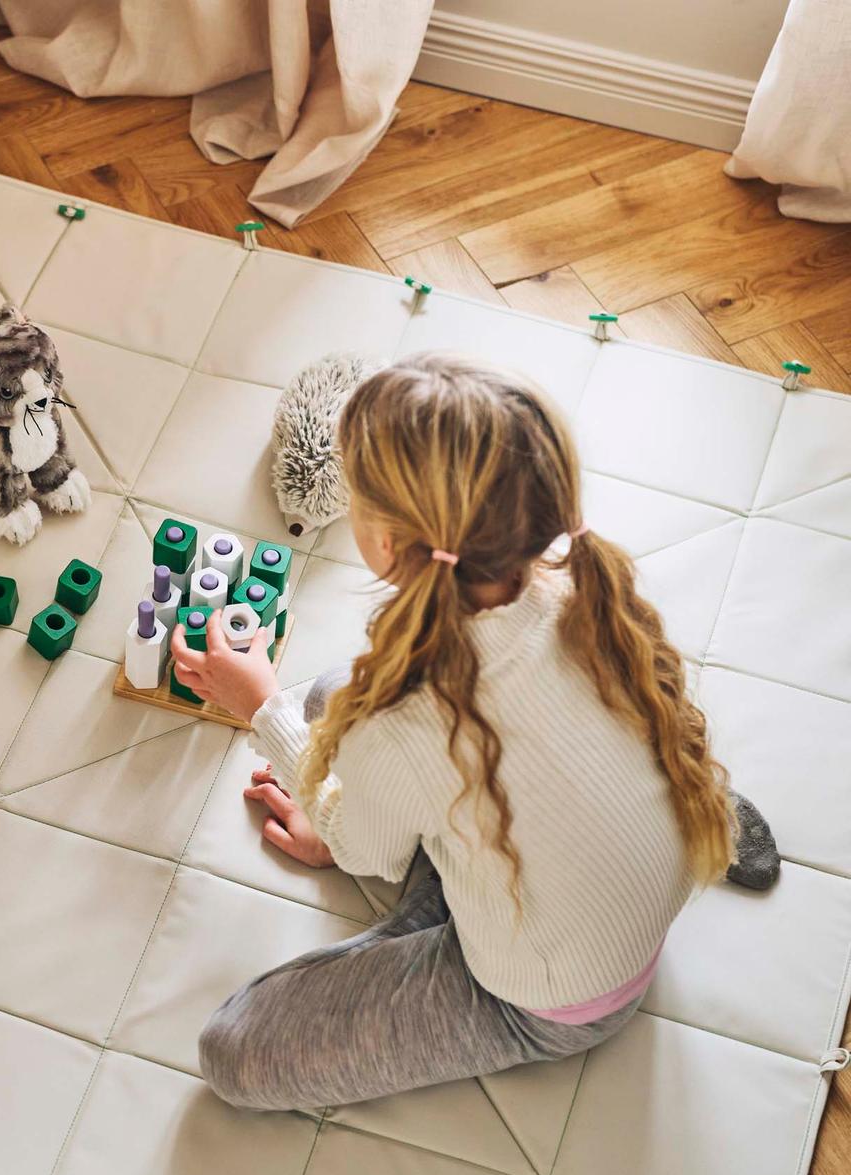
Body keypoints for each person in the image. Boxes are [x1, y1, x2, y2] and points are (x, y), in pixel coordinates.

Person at [169, 351, 776, 1112]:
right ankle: (660, 814)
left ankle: (406, 862)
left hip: (554, 998)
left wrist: (260, 707)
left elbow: (369, 853)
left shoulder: (407, 714)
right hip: (590, 878)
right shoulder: (587, 592)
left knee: (234, 1051)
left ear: (386, 544)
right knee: (333, 699)